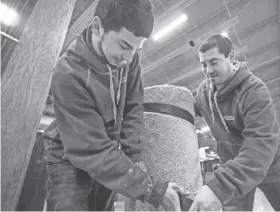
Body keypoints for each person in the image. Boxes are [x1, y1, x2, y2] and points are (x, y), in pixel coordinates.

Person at [43, 0, 188, 211]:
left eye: (136, 49)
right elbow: (91, 149)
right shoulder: (69, 72)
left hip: (108, 152)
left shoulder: (129, 59)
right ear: (97, 26)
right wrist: (151, 189)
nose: (128, 59)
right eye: (124, 46)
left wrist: (134, 158)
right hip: (70, 157)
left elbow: (133, 107)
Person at [190, 34, 280, 211]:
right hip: (231, 166)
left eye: (214, 62)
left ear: (231, 57)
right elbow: (190, 109)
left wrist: (219, 187)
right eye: (203, 64)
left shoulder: (253, 90)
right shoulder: (203, 91)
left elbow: (260, 144)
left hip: (268, 165)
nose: (208, 71)